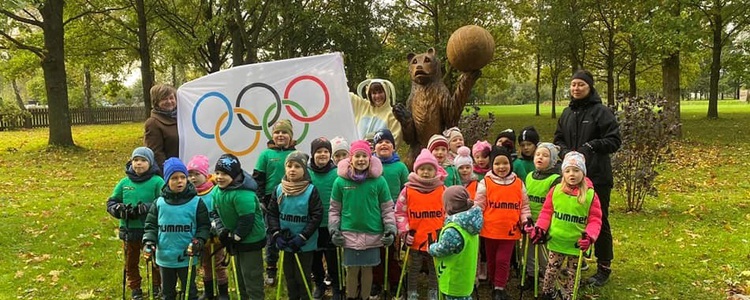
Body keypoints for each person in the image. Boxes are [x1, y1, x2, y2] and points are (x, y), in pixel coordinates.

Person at [553, 69, 621, 286]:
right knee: (570, 217)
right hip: (571, 178)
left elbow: (614, 140)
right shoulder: (566, 113)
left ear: (590, 87)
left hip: (597, 176)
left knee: (598, 220)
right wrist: (564, 152)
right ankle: (577, 259)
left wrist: (590, 147)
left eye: (581, 84)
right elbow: (559, 138)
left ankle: (604, 266)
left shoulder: (601, 112)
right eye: (573, 85)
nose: (576, 88)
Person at [526, 152, 603, 300]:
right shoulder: (556, 191)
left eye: (576, 170)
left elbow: (595, 219)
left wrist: (590, 236)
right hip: (556, 241)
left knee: (572, 274)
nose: (571, 174)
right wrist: (540, 228)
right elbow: (546, 212)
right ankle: (548, 292)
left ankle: (569, 295)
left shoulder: (590, 195)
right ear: (563, 173)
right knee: (551, 270)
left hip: (576, 243)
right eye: (567, 171)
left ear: (583, 172)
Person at [329, 140, 397, 300]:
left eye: (364, 156)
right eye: (357, 156)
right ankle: (351, 296)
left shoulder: (379, 181)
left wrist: (390, 227)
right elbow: (334, 209)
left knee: (368, 269)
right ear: (350, 159)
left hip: (373, 233)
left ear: (370, 158)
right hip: (348, 233)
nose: (361, 159)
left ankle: (365, 296)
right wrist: (333, 228)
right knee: (352, 269)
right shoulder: (340, 181)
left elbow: (387, 208)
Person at [142, 158, 211, 300]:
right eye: (174, 178)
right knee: (167, 292)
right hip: (165, 257)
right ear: (167, 181)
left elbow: (204, 226)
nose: (179, 181)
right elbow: (151, 225)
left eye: (182, 177)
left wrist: (199, 240)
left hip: (187, 256)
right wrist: (149, 242)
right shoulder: (159, 203)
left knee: (189, 291)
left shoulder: (196, 202)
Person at [106, 146, 164, 300]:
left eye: (143, 160)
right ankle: (135, 287)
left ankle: (157, 285)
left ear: (150, 163)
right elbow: (111, 202)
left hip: (149, 230)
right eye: (135, 160)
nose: (138, 163)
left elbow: (164, 202)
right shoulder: (124, 182)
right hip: (129, 229)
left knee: (154, 260)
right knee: (131, 262)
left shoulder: (157, 181)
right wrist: (118, 209)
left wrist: (146, 207)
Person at [475, 146, 531, 300]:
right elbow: (478, 206)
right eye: (497, 164)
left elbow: (524, 206)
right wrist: (474, 222)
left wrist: (526, 221)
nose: (501, 167)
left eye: (505, 163)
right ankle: (494, 281)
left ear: (510, 164)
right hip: (489, 230)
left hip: (510, 230)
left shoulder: (518, 184)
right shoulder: (485, 183)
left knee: (503, 259)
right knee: (492, 259)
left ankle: (500, 288)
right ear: (492, 165)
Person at [267, 151, 324, 300]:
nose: (292, 169)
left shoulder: (311, 190)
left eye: (297, 166)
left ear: (304, 170)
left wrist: (302, 236)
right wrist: (276, 234)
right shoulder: (279, 189)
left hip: (303, 242)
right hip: (285, 240)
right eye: (289, 166)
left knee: (302, 275)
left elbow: (316, 216)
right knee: (289, 274)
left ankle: (305, 296)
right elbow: (272, 213)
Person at [211, 154, 267, 299]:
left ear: (234, 175)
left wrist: (236, 237)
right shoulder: (217, 191)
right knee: (240, 277)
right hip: (234, 239)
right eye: (217, 173)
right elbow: (216, 213)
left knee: (251, 276)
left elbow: (247, 219)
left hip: (250, 240)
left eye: (224, 174)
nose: (219, 177)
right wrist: (222, 231)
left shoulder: (242, 194)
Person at [395, 149, 447, 300]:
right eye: (422, 169)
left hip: (436, 238)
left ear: (435, 171)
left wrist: (446, 232)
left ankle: (433, 290)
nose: (425, 172)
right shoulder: (408, 190)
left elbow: (448, 213)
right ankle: (411, 292)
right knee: (413, 268)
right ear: (416, 170)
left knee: (435, 267)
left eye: (429, 169)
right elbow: (400, 212)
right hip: (415, 237)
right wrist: (404, 233)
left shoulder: (442, 189)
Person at [253, 119, 297, 285]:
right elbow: (258, 178)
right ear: (272, 135)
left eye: (284, 132)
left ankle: (292, 267)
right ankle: (271, 269)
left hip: (292, 198)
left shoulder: (295, 154)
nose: (280, 135)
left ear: (290, 136)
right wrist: (260, 199)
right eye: (277, 132)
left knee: (290, 231)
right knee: (272, 236)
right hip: (270, 201)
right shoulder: (265, 155)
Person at [428, 186, 484, 300]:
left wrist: (431, 247)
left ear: (449, 206)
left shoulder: (454, 229)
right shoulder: (471, 223)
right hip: (466, 276)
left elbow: (442, 249)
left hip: (454, 279)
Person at [371, 129, 409, 298]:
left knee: (393, 251)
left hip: (394, 213)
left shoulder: (400, 167)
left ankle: (395, 281)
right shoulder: (370, 166)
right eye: (379, 142)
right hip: (373, 213)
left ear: (394, 147)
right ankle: (376, 281)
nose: (384, 144)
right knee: (377, 248)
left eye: (388, 142)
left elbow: (407, 190)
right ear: (374, 148)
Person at [186, 155, 229, 300]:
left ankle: (223, 292)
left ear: (205, 174)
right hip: (201, 236)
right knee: (205, 264)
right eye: (190, 175)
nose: (193, 178)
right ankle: (208, 291)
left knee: (219, 263)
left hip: (216, 236)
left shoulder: (214, 191)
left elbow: (220, 211)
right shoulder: (191, 195)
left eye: (197, 174)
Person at [307, 137, 343, 300]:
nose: (322, 154)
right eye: (319, 151)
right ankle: (320, 284)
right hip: (312, 223)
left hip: (331, 222)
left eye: (326, 151)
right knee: (315, 257)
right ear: (313, 154)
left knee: (333, 257)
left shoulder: (336, 173)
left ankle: (336, 286)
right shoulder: (307, 173)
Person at [521, 143, 561, 286]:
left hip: (545, 223)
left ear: (553, 160)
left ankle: (547, 276)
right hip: (529, 221)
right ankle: (531, 275)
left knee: (544, 253)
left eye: (545, 155)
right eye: (538, 154)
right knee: (528, 250)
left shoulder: (555, 179)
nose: (540, 157)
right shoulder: (530, 176)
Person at [350, 79, 403, 144]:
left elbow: (394, 141)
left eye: (380, 92)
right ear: (369, 94)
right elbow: (344, 94)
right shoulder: (362, 106)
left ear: (386, 92)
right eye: (374, 93)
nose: (377, 96)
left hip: (380, 154)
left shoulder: (392, 115)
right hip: (357, 152)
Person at [470, 140, 491, 281]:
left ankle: (485, 268)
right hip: (475, 211)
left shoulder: (491, 173)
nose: (480, 160)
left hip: (489, 212)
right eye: (477, 157)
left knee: (485, 244)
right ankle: (477, 269)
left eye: (483, 156)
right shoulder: (471, 173)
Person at [144, 84, 179, 171]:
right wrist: (168, 173)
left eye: (171, 98)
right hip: (171, 172)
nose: (169, 101)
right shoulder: (153, 123)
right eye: (164, 99)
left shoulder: (181, 118)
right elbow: (156, 153)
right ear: (156, 102)